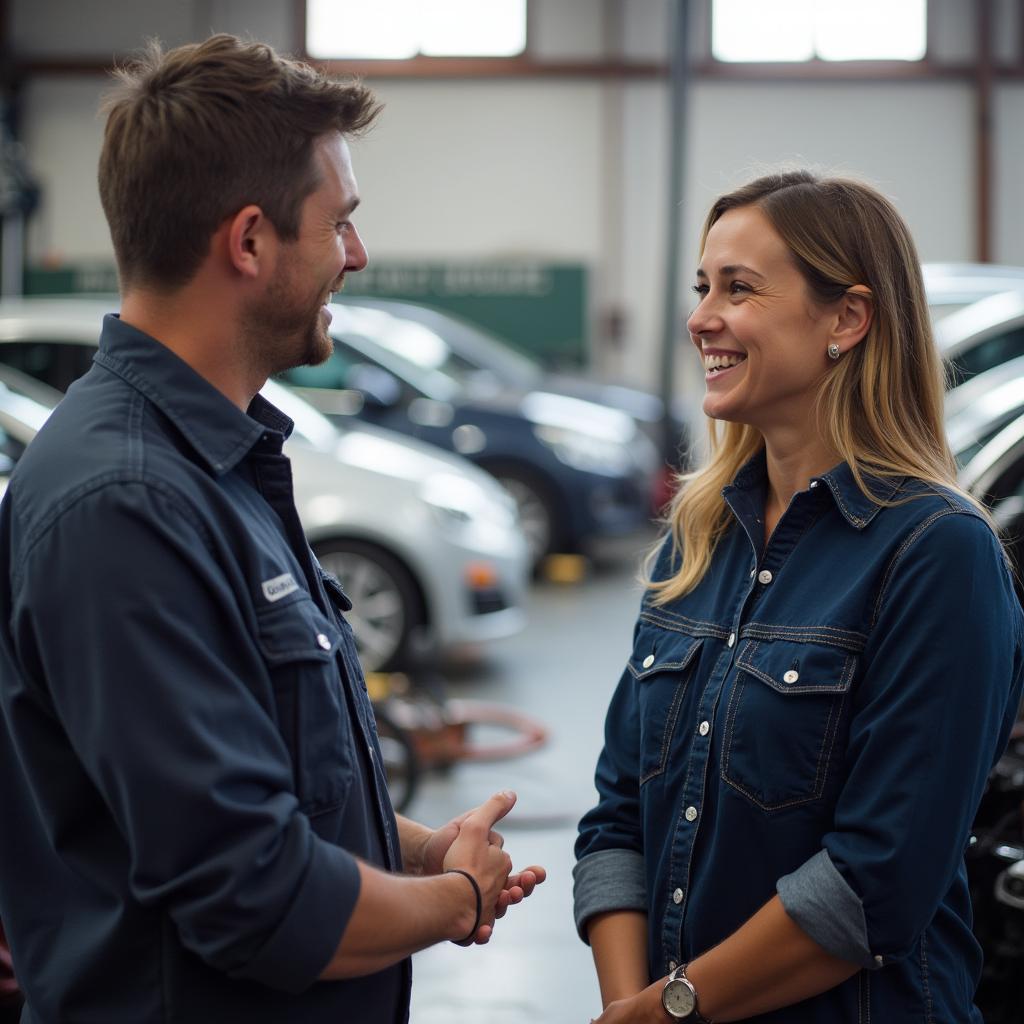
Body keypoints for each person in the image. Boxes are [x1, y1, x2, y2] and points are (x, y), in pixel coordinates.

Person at [0, 34, 544, 1023]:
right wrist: (454, 899)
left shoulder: (213, 466)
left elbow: (262, 793)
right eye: (340, 223)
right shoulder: (127, 505)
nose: (358, 254)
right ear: (249, 241)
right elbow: (257, 897)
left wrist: (412, 846)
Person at [573, 170, 1024, 1023]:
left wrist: (668, 1010)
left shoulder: (938, 554)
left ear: (847, 320)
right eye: (703, 286)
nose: (701, 316)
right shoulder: (696, 541)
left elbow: (873, 880)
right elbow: (618, 819)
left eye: (739, 288)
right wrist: (631, 1006)